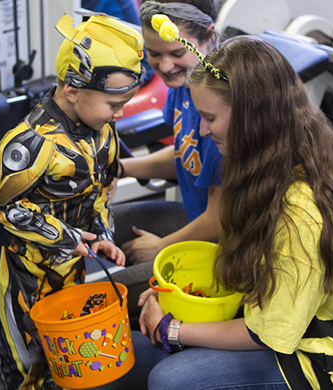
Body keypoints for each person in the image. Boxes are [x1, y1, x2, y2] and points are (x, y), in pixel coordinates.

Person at [128, 34, 333, 390]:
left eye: (209, 117)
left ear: (250, 116)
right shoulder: (281, 153)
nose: (203, 130)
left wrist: (172, 330)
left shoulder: (301, 211)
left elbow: (266, 333)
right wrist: (171, 296)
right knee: (142, 350)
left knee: (169, 379)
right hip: (295, 325)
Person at [0, 13, 145, 389]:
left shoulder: (103, 133)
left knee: (69, 352)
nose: (119, 114)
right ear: (72, 89)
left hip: (71, 261)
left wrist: (102, 231)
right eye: (113, 103)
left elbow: (102, 187)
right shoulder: (30, 144)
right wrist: (67, 237)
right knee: (25, 359)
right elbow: (0, 204)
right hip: (20, 264)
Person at [111, 0, 223, 309]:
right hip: (196, 219)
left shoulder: (221, 110)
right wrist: (121, 168)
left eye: (176, 54)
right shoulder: (181, 86)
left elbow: (219, 222)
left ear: (208, 38)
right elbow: (187, 155)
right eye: (154, 54)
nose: (165, 66)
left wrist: (159, 247)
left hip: (226, 249)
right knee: (104, 226)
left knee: (108, 296)